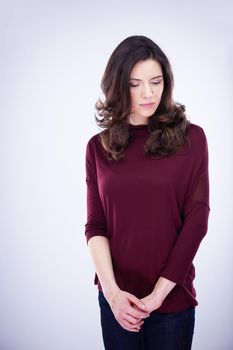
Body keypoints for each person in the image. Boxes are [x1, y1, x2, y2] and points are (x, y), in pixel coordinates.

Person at [84, 35, 210, 350]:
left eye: (155, 82)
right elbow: (96, 226)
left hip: (171, 301)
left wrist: (157, 296)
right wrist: (112, 295)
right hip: (118, 302)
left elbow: (197, 219)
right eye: (135, 84)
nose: (148, 93)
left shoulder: (192, 139)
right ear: (117, 87)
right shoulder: (97, 148)